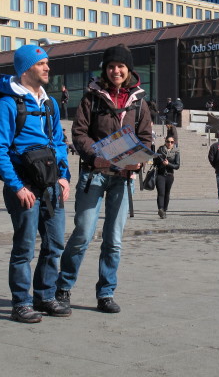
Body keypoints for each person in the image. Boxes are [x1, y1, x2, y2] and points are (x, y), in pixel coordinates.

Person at [56, 44, 152, 314]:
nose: (116, 70)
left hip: (123, 177)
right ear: (105, 69)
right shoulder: (92, 98)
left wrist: (138, 159)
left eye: (120, 66)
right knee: (83, 234)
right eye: (111, 66)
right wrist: (95, 155)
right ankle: (63, 287)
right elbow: (79, 134)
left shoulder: (139, 102)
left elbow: (145, 138)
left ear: (129, 69)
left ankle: (106, 293)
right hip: (94, 175)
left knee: (114, 239)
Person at [0, 44, 71, 324]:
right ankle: (21, 303)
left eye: (47, 63)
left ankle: (45, 296)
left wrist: (64, 176)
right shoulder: (7, 103)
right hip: (23, 185)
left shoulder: (50, 103)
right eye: (41, 64)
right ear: (26, 68)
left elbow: (58, 142)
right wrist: (17, 186)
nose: (48, 68)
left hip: (51, 184)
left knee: (55, 243)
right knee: (25, 247)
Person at [154, 135, 180, 219]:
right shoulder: (160, 150)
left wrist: (168, 164)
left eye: (172, 142)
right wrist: (160, 161)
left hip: (169, 175)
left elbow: (177, 165)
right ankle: (160, 209)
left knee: (167, 193)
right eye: (168, 141)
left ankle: (164, 210)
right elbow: (155, 161)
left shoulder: (176, 152)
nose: (169, 143)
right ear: (165, 142)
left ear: (174, 143)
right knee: (161, 193)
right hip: (160, 174)